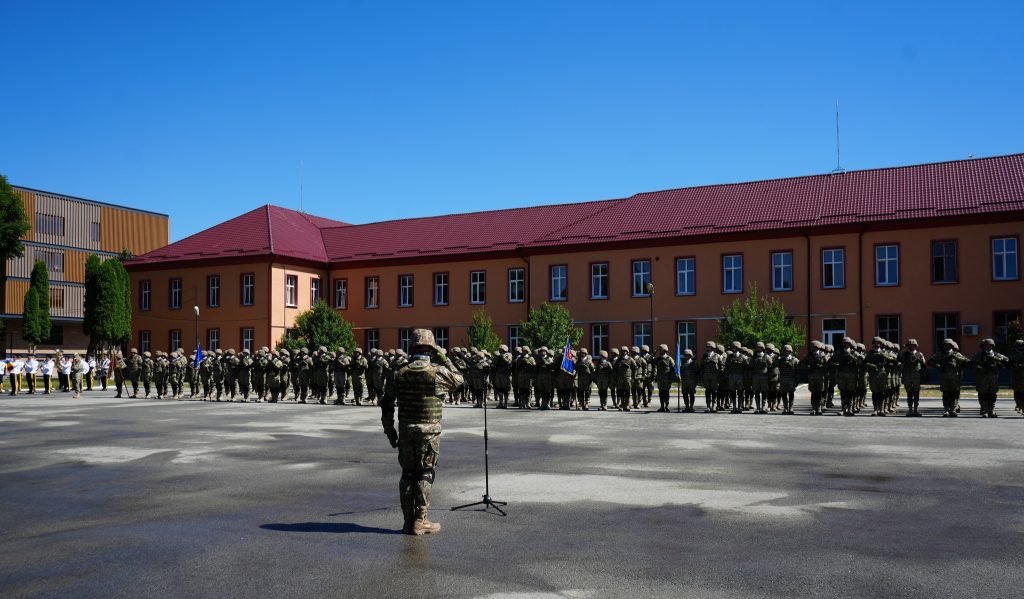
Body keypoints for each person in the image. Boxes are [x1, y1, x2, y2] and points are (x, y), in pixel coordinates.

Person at [380, 329, 463, 535]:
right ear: (432, 349)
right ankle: (421, 520)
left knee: (407, 474)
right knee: (425, 473)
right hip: (429, 433)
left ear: (411, 347)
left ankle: (408, 521)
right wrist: (444, 358)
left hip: (406, 430)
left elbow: (386, 404)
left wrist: (390, 431)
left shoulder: (399, 373)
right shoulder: (438, 372)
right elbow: (459, 379)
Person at [927, 339, 970, 417]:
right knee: (946, 394)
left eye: (948, 345)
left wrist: (958, 359)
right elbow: (930, 362)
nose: (947, 346)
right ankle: (946, 410)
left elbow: (967, 361)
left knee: (954, 394)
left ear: (952, 346)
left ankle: (953, 410)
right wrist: (938, 366)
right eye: (945, 345)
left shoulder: (956, 354)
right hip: (944, 378)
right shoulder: (940, 354)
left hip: (955, 378)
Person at [972, 338, 1009, 418]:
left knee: (992, 394)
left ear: (992, 346)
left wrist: (996, 360)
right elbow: (973, 364)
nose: (988, 347)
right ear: (984, 346)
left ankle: (991, 410)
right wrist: (979, 368)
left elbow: (1006, 360)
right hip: (982, 377)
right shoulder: (979, 355)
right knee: (982, 393)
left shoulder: (996, 354)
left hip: (993, 377)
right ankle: (984, 409)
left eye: (990, 345)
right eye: (986, 345)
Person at [898, 340, 926, 417]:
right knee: (909, 393)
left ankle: (916, 410)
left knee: (916, 393)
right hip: (907, 376)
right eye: (910, 345)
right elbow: (899, 358)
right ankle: (910, 410)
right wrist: (901, 350)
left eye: (913, 345)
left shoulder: (919, 354)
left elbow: (924, 364)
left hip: (916, 376)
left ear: (916, 346)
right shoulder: (905, 354)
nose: (911, 347)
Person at [1010, 339, 1024, 415]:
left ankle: (1022, 407)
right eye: (1019, 346)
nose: (1020, 347)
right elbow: (1010, 362)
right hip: (1016, 375)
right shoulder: (1012, 353)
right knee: (1017, 391)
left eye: (1022, 346)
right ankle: (1019, 405)